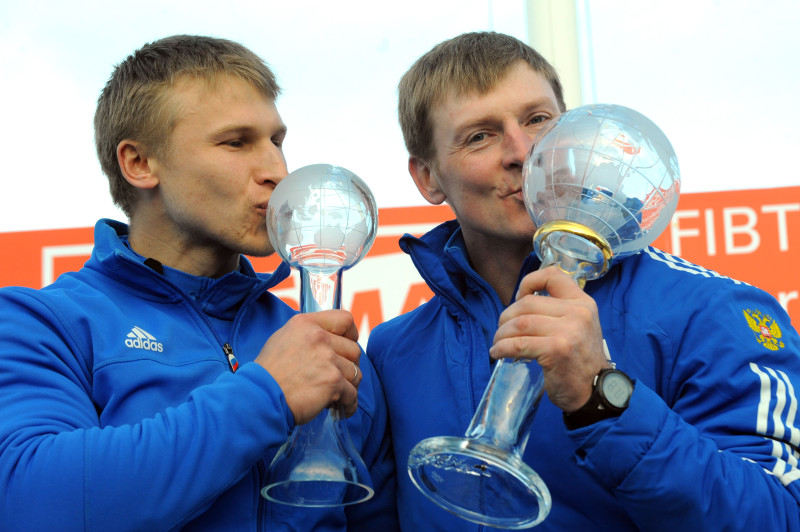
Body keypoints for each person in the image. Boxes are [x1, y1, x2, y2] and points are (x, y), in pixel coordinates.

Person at [366, 31, 800, 531]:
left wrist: (603, 399)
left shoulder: (714, 311)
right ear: (427, 178)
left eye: (538, 120)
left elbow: (781, 516)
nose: (523, 150)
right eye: (480, 135)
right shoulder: (392, 352)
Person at [0, 35, 397, 531]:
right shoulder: (40, 323)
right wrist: (267, 394)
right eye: (236, 142)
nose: (277, 170)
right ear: (140, 163)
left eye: (277, 141)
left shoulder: (327, 349)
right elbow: (30, 501)